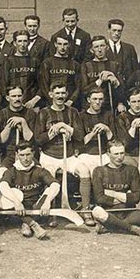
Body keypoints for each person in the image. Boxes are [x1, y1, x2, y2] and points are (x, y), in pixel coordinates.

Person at [35, 83, 90, 226]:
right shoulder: (44, 113)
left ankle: (85, 210)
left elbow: (80, 136)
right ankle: (52, 213)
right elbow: (38, 140)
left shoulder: (73, 112)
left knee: (84, 171)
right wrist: (53, 132)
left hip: (69, 155)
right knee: (50, 178)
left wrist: (65, 127)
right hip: (49, 155)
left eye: (63, 93)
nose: (60, 96)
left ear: (66, 94)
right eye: (57, 93)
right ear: (51, 94)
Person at [91, 140, 140, 239]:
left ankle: (110, 227)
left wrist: (111, 193)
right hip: (109, 213)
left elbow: (136, 198)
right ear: (108, 154)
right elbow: (99, 198)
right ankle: (134, 229)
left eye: (122, 153)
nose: (119, 157)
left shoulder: (132, 170)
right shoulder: (99, 171)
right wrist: (125, 196)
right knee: (96, 211)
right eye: (116, 154)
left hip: (129, 213)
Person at [0, 142, 60, 239]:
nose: (25, 158)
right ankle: (33, 224)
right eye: (21, 155)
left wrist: (47, 202)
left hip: (36, 206)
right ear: (17, 155)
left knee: (50, 190)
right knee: (7, 194)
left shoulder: (39, 170)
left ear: (33, 154)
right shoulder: (12, 171)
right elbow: (3, 185)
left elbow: (55, 184)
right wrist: (16, 202)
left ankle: (26, 223)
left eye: (28, 154)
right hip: (19, 207)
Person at [0, 86, 36, 177]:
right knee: (3, 173)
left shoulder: (30, 113)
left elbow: (30, 139)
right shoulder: (1, 114)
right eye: (13, 96)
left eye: (19, 96)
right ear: (7, 98)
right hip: (8, 154)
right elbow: (1, 140)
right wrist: (9, 126)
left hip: (27, 154)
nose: (17, 99)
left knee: (35, 174)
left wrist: (23, 122)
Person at [79, 35, 126, 113]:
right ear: (91, 50)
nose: (100, 49)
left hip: (110, 107)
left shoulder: (115, 65)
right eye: (96, 47)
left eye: (102, 46)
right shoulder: (86, 66)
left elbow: (123, 89)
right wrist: (100, 81)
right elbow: (84, 90)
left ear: (107, 47)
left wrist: (116, 81)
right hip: (91, 108)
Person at [78, 88, 115, 171]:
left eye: (100, 99)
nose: (98, 102)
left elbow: (113, 141)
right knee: (94, 172)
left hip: (104, 153)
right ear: (88, 100)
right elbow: (80, 142)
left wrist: (107, 129)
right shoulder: (81, 116)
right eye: (94, 99)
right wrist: (93, 132)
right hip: (87, 154)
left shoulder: (108, 115)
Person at [2, 30, 41, 109]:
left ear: (29, 42)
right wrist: (13, 101)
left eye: (25, 41)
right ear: (14, 43)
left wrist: (34, 100)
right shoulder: (8, 61)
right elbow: (3, 85)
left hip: (32, 105)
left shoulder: (35, 61)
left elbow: (41, 84)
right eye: (19, 41)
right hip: (13, 105)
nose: (22, 44)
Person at [40, 35, 80, 107]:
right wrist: (53, 102)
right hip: (51, 104)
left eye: (65, 44)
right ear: (55, 44)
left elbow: (78, 86)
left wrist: (71, 101)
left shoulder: (75, 64)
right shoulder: (47, 62)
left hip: (70, 104)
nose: (62, 47)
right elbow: (44, 85)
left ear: (69, 45)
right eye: (59, 44)